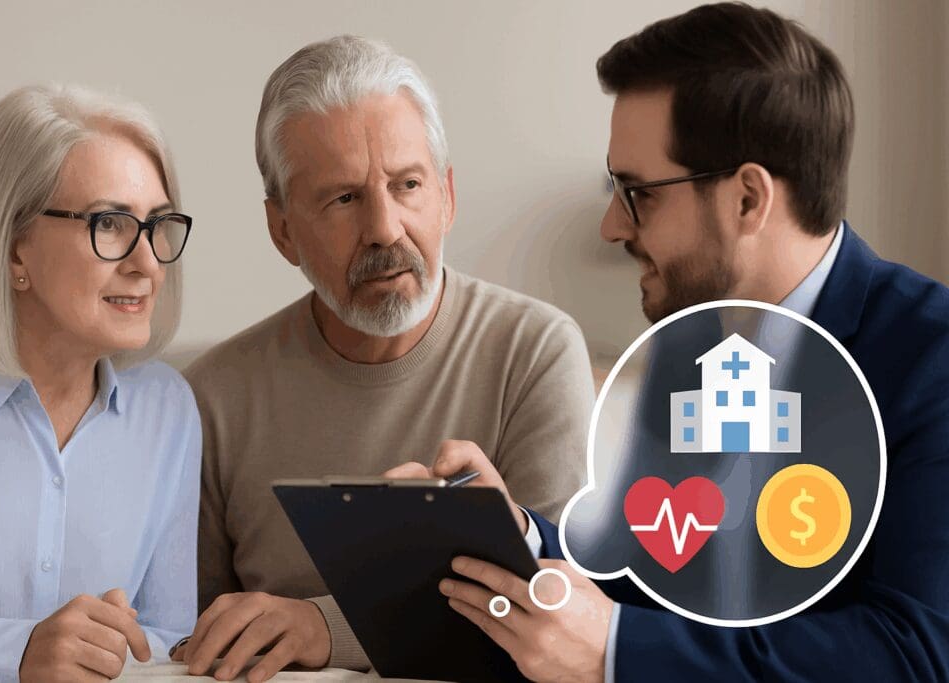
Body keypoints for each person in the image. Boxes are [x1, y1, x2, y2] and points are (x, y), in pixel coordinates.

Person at [393, 3, 949, 681]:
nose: (610, 225)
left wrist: (614, 651)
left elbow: (915, 654)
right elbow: (662, 566)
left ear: (748, 199)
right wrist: (519, 533)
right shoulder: (699, 348)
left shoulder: (931, 358)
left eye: (637, 193)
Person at [178, 35, 594, 681]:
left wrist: (323, 626)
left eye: (407, 185)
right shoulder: (212, 395)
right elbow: (195, 627)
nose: (385, 227)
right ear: (282, 228)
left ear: (447, 196)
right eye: (343, 198)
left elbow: (563, 610)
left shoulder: (534, 350)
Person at [0, 84, 201, 682]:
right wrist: (17, 652)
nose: (148, 264)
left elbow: (169, 638)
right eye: (110, 224)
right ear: (13, 246)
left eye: (156, 226)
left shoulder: (167, 410)